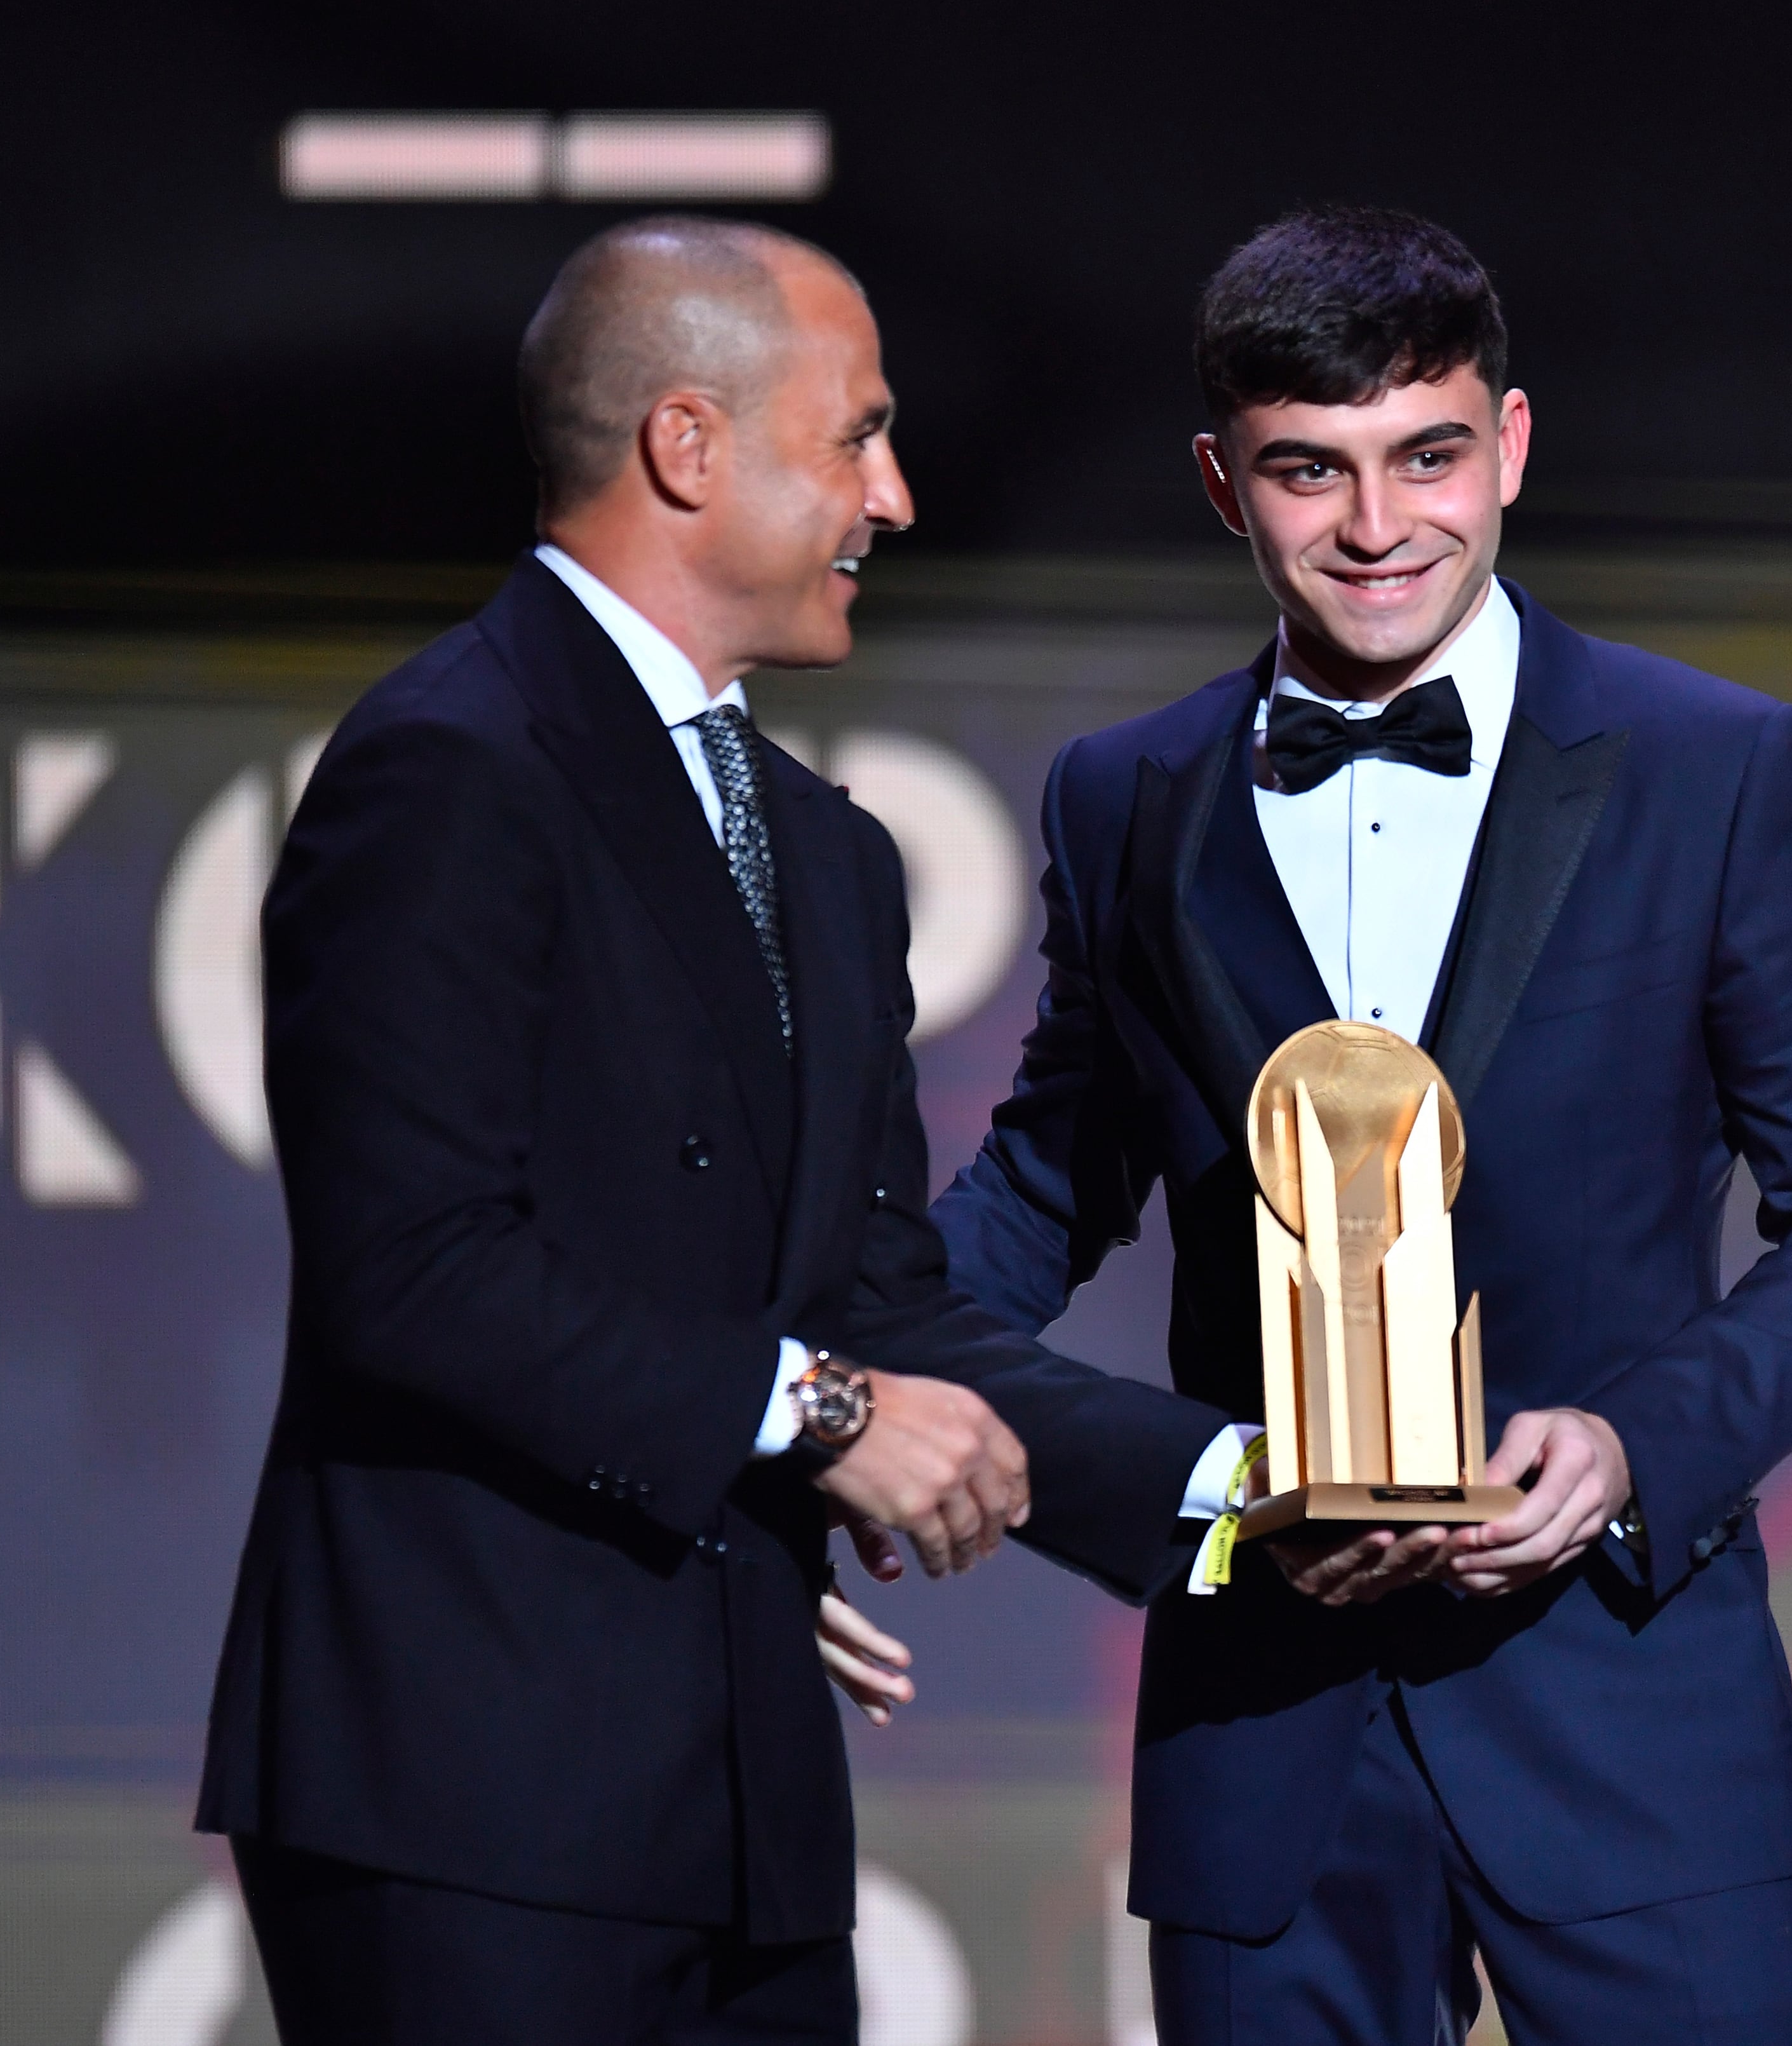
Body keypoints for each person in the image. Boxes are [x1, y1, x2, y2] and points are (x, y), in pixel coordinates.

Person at [195, 215, 1240, 2045]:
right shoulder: (449, 767)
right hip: (475, 1803)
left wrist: (1239, 1489)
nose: (895, 497)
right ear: (689, 446)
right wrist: (817, 1417)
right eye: (857, 437)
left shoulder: (825, 855)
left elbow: (880, 1300)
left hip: (741, 1813)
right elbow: (416, 1271)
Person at [928, 207, 1792, 2044]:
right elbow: (1047, 1180)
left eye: (1431, 456)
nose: (1382, 527)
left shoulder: (1719, 770)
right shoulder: (1126, 800)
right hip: (1270, 1715)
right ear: (1222, 483)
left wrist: (1630, 1449)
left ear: (1515, 444)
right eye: (1310, 472)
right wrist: (851, 1349)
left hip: (1633, 1710)